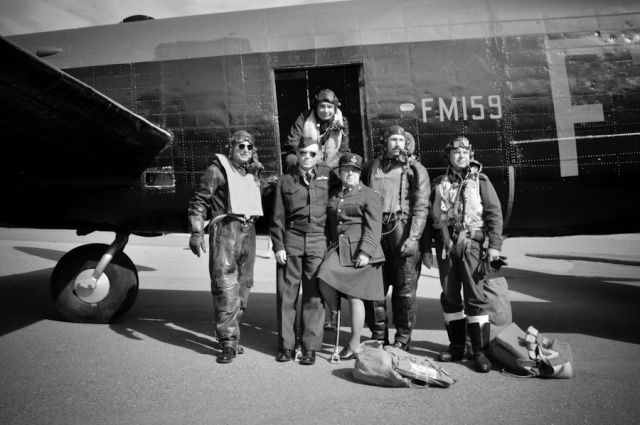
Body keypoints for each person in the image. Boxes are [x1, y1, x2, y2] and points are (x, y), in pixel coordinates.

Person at [187, 130, 264, 364]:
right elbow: (199, 201)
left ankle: (232, 334)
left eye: (249, 147)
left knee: (244, 287)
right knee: (225, 287)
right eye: (241, 146)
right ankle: (228, 343)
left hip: (248, 232)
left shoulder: (251, 173)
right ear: (231, 147)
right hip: (225, 231)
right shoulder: (216, 170)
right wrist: (196, 230)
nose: (245, 151)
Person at [430, 136, 503, 373]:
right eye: (455, 153)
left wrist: (494, 247)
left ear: (470, 155)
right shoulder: (439, 184)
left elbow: (494, 214)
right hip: (447, 247)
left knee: (475, 296)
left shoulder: (481, 181)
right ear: (448, 157)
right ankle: (456, 347)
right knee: (450, 296)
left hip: (472, 245)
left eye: (464, 152)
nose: (460, 156)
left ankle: (479, 351)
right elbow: (433, 220)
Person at [270, 137, 339, 365]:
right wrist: (278, 246)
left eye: (311, 153)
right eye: (303, 153)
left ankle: (310, 347)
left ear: (318, 154)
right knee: (286, 293)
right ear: (297, 155)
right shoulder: (285, 181)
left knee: (314, 296)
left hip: (318, 238)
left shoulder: (329, 176)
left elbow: (341, 199)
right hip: (293, 238)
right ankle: (286, 345)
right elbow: (277, 218)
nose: (307, 157)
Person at [362, 126, 430, 350]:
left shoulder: (416, 169)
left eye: (401, 139)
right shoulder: (372, 167)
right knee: (374, 290)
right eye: (393, 139)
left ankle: (402, 339)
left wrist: (413, 239)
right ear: (385, 142)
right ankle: (378, 336)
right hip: (375, 229)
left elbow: (421, 207)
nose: (398, 143)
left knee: (405, 290)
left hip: (402, 228)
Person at [317, 154, 385, 360]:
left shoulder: (369, 195)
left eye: (354, 171)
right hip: (339, 248)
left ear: (359, 173)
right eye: (346, 170)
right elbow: (330, 224)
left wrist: (366, 252)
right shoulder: (335, 194)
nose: (350, 174)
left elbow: (374, 227)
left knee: (356, 296)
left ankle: (354, 343)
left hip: (360, 251)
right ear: (340, 172)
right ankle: (335, 310)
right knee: (323, 276)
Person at [284, 88, 350, 171]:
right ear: (316, 107)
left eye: (329, 107)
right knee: (291, 159)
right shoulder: (304, 118)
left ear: (335, 109)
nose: (326, 111)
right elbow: (292, 141)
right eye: (322, 106)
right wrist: (309, 155)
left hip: (332, 161)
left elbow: (344, 150)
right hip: (307, 157)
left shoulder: (341, 122)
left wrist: (328, 164)